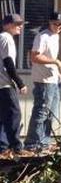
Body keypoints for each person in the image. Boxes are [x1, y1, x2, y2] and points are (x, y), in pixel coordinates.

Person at [26, 12, 61, 153]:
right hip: (43, 80)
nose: (58, 26)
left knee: (52, 113)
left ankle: (44, 142)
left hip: (53, 79)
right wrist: (55, 61)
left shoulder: (56, 36)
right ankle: (32, 143)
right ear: (50, 23)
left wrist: (59, 74)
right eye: (55, 23)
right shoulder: (42, 36)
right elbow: (35, 57)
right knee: (41, 111)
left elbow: (48, 59)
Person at [0, 14, 28, 154]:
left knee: (3, 116)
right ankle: (16, 147)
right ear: (8, 25)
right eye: (18, 24)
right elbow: (8, 63)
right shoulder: (6, 38)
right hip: (4, 84)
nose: (21, 27)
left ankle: (2, 147)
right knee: (14, 114)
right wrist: (20, 83)